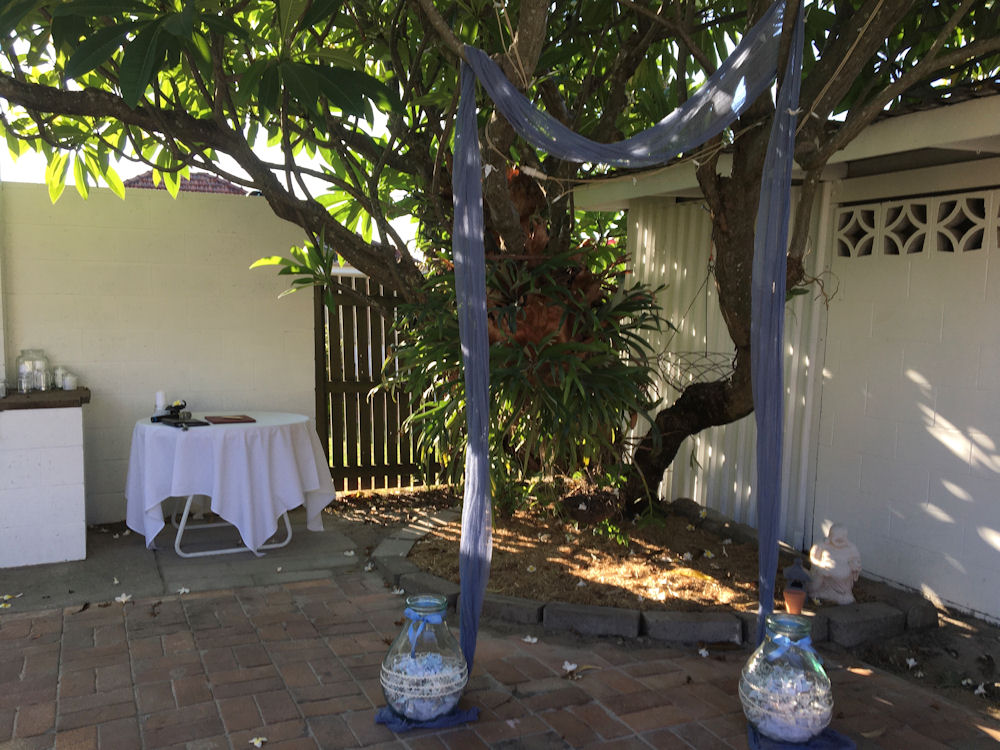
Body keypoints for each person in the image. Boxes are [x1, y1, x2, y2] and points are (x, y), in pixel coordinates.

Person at [808, 523, 861, 605]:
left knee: (847, 598)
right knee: (818, 576)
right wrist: (820, 565)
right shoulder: (822, 546)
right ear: (830, 536)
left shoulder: (851, 548)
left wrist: (855, 564)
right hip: (825, 576)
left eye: (843, 536)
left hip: (843, 583)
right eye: (836, 535)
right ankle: (816, 592)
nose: (840, 538)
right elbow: (813, 557)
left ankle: (842, 594)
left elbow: (856, 560)